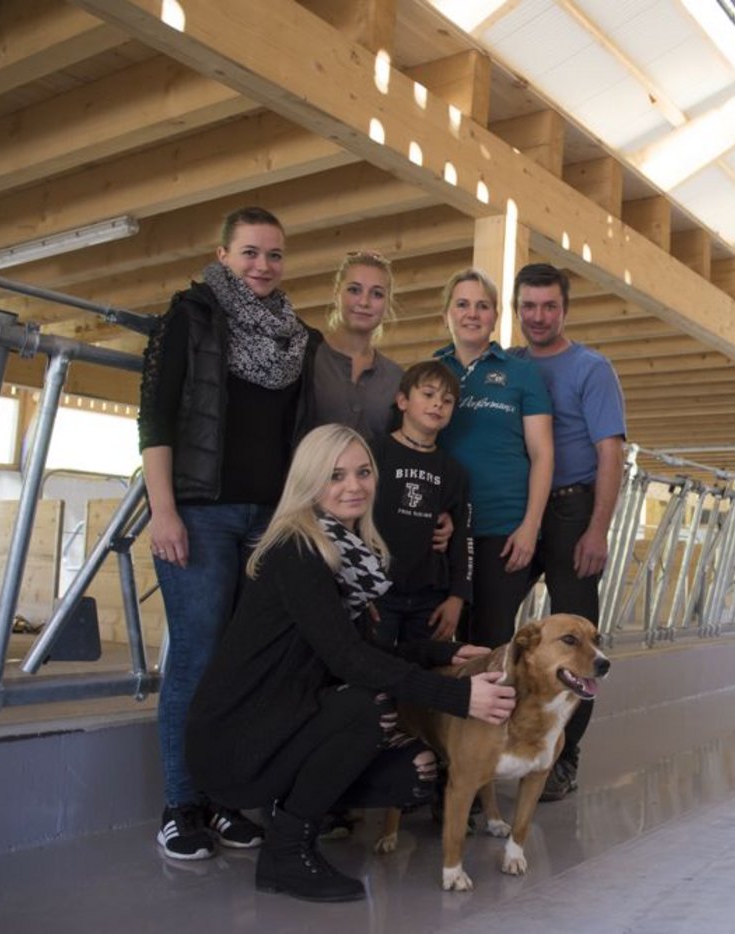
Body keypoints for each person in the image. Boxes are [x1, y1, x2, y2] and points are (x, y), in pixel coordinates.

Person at [184, 424, 515, 903]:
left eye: (363, 472)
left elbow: (359, 651)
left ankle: (292, 811)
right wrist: (459, 697)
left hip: (284, 721)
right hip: (236, 741)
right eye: (335, 476)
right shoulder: (296, 550)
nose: (353, 486)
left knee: (416, 771)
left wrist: (441, 653)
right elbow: (348, 659)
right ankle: (285, 854)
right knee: (364, 707)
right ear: (308, 484)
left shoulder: (346, 556)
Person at [139, 206, 318, 860]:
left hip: (265, 522)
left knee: (243, 663)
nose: (262, 265)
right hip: (199, 513)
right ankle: (181, 804)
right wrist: (163, 510)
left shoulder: (298, 336)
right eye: (249, 252)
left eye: (273, 254)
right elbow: (156, 419)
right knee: (196, 653)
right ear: (223, 255)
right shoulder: (189, 317)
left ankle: (220, 800)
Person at [510, 262, 627, 802]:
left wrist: (597, 529)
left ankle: (564, 756)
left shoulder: (591, 368)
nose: (538, 316)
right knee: (487, 621)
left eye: (549, 306)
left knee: (579, 645)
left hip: (573, 510)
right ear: (517, 309)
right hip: (516, 511)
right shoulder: (506, 365)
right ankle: (488, 743)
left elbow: (611, 451)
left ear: (565, 309)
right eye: (529, 306)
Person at [434, 268, 554, 649]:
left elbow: (542, 452)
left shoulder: (521, 373)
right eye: (463, 304)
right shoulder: (431, 374)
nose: (472, 313)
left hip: (502, 528)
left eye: (483, 306)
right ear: (446, 314)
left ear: (495, 317)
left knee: (488, 639)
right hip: (444, 529)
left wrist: (530, 527)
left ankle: (489, 712)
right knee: (439, 638)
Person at [369, 360, 472, 646]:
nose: (438, 404)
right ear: (402, 401)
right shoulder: (372, 453)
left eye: (447, 400)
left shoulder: (454, 472)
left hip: (429, 599)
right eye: (428, 394)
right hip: (377, 592)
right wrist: (355, 588)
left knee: (424, 676)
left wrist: (457, 597)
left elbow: (463, 536)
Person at [308, 251, 404, 445]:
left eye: (377, 294)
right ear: (337, 294)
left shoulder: (397, 377)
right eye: (354, 290)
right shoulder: (307, 357)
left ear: (387, 303)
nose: (364, 302)